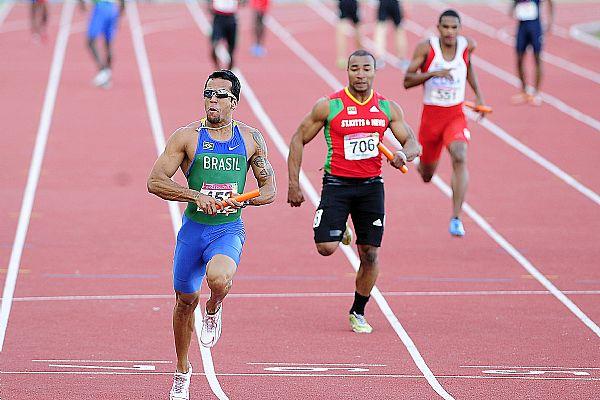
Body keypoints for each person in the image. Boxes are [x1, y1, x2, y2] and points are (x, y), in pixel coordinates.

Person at [147, 70, 276, 400]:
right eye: (207, 94)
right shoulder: (187, 137)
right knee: (184, 302)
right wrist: (196, 196)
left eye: (219, 95)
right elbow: (155, 181)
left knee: (219, 279)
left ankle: (215, 309)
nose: (212, 100)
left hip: (228, 228)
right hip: (193, 231)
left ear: (234, 101)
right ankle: (182, 371)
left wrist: (239, 200)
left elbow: (269, 190)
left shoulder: (250, 139)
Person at [288, 50, 421, 334]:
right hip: (337, 184)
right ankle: (339, 228)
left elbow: (412, 142)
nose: (360, 74)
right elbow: (298, 137)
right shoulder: (330, 106)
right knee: (326, 248)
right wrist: (293, 183)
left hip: (372, 186)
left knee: (370, 254)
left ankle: (358, 311)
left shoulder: (387, 108)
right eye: (355, 69)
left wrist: (404, 155)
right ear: (347, 71)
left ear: (374, 72)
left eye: (366, 69)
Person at [403, 9, 486, 237]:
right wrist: (433, 73)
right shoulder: (426, 48)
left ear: (459, 29)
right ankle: (423, 165)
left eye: (454, 27)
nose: (450, 32)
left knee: (460, 155)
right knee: (427, 174)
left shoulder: (467, 46)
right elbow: (407, 81)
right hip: (431, 120)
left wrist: (478, 95)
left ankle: (456, 217)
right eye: (445, 27)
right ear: (438, 28)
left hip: (455, 116)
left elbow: (468, 67)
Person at [511, 0, 554, 106]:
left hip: (535, 26)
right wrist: (512, 8)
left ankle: (536, 92)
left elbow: (550, 2)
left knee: (537, 58)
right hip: (522, 26)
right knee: (519, 59)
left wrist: (550, 20)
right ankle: (524, 90)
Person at [79, 0, 125, 88]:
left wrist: (81, 3)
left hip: (101, 8)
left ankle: (103, 71)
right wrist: (120, 13)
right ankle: (107, 74)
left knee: (90, 41)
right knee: (108, 44)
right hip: (113, 9)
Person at [374, 0, 408, 70]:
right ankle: (402, 59)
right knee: (399, 30)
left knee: (381, 30)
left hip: (384, 3)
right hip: (394, 3)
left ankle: (379, 59)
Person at [209, 0, 242, 70]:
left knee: (231, 52)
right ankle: (217, 69)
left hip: (231, 18)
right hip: (218, 18)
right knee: (214, 46)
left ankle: (229, 72)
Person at [336, 0, 363, 69]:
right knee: (357, 28)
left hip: (343, 3)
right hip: (353, 2)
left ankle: (341, 58)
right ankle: (360, 56)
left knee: (341, 29)